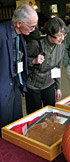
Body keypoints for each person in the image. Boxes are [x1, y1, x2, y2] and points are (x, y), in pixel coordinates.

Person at [0, 4, 38, 134]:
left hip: (16, 84)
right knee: (3, 125)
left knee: (16, 122)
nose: (34, 29)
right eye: (31, 26)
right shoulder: (1, 32)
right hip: (3, 86)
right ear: (19, 23)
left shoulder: (21, 35)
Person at [25, 17, 68, 114]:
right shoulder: (35, 44)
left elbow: (57, 67)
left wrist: (58, 88)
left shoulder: (61, 47)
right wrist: (33, 61)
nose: (63, 38)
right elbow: (21, 61)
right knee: (34, 115)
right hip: (33, 85)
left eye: (64, 35)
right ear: (50, 34)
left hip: (49, 83)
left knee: (50, 113)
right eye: (59, 35)